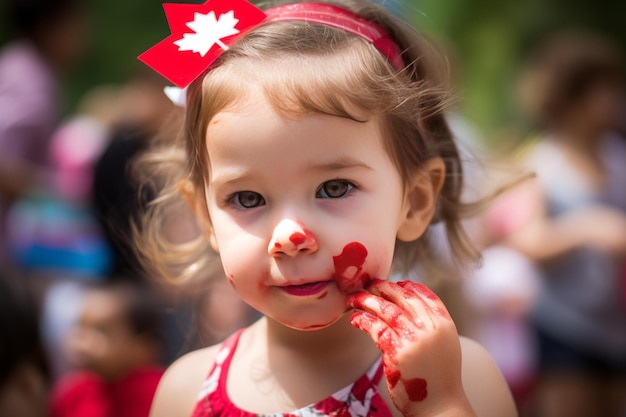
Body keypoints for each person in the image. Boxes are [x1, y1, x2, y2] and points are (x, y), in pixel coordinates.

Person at [136, 1, 517, 416]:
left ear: (416, 201)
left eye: (334, 188)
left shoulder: (458, 379)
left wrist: (440, 406)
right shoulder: (184, 390)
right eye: (248, 198)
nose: (289, 237)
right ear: (204, 216)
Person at [508, 30, 626, 417]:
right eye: (604, 89)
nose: (614, 99)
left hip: (616, 326)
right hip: (565, 328)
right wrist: (586, 228)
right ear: (572, 98)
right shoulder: (541, 162)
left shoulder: (617, 156)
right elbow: (528, 239)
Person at [0, 0, 88, 263]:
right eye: (76, 24)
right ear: (50, 27)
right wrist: (57, 191)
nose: (84, 34)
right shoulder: (28, 80)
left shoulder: (20, 65)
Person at [49, 280, 166, 417]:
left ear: (143, 347)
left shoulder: (162, 393)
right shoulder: (74, 395)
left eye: (101, 331)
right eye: (81, 327)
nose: (83, 341)